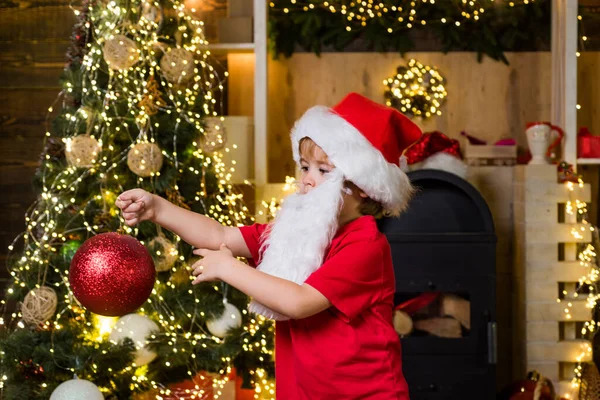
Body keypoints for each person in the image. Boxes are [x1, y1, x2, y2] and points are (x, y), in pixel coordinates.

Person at [116, 92, 422, 399]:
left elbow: (299, 302)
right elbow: (220, 236)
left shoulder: (365, 244)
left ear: (364, 186)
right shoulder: (298, 231)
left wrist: (228, 268)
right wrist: (158, 209)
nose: (308, 180)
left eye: (323, 170)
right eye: (304, 167)